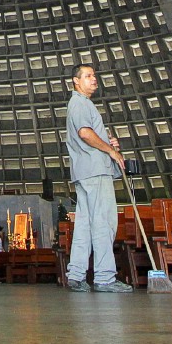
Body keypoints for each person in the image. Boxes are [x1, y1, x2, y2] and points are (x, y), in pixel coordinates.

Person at [64, 63, 132, 293]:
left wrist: (107, 142)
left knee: (84, 224)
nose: (94, 79)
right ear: (76, 81)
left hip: (84, 172)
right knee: (104, 222)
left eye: (94, 75)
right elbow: (85, 133)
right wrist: (111, 151)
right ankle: (104, 277)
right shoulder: (81, 103)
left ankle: (76, 273)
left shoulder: (80, 104)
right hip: (95, 171)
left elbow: (90, 134)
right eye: (88, 76)